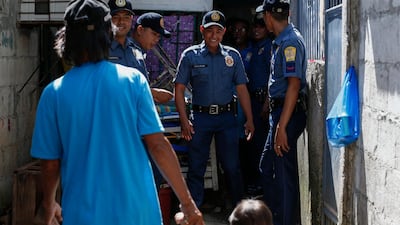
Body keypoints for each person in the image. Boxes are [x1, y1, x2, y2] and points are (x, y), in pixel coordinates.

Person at [30, 1, 204, 225]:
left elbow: (50, 164)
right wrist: (188, 206)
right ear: (107, 35)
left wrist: (48, 205)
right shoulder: (133, 81)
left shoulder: (53, 94)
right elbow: (158, 145)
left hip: (83, 215)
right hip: (138, 214)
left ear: (67, 39)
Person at [174, 10, 255, 208]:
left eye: (218, 31)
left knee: (232, 166)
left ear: (224, 32)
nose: (214, 35)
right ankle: (193, 212)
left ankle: (239, 210)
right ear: (202, 30)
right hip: (200, 119)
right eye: (210, 31)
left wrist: (250, 119)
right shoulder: (190, 56)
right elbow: (179, 89)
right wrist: (184, 121)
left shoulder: (232, 56)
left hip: (227, 118)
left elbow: (242, 89)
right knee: (196, 167)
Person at [256, 1, 307, 225]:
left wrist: (281, 127)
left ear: (268, 16)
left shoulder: (290, 42)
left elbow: (294, 86)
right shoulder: (281, 41)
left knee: (284, 176)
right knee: (267, 167)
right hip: (279, 113)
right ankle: (276, 217)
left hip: (287, 115)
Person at [108, 0, 172, 103]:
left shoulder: (135, 50)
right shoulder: (100, 50)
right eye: (116, 17)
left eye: (126, 17)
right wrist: (152, 93)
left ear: (131, 20)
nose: (121, 22)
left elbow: (142, 83)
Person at [240, 12, 273, 197]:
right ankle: (255, 184)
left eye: (261, 25)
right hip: (251, 100)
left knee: (261, 146)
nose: (257, 29)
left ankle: (262, 186)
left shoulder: (270, 46)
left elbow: (272, 77)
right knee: (251, 146)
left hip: (262, 102)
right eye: (255, 26)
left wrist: (267, 103)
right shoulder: (252, 47)